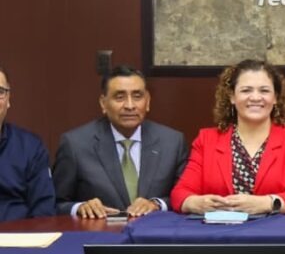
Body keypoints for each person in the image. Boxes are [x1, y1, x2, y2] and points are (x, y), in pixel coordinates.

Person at [171, 59, 285, 214]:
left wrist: (267, 203)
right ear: (232, 97)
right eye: (246, 90)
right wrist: (194, 203)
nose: (255, 97)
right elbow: (180, 194)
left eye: (264, 91)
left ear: (275, 97)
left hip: (276, 227)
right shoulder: (206, 139)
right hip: (219, 227)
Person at [53, 65, 188, 218]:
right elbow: (56, 203)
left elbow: (185, 197)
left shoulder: (172, 142)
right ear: (103, 103)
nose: (130, 106)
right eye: (119, 97)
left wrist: (157, 204)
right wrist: (79, 207)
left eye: (137, 96)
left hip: (154, 230)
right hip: (100, 231)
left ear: (148, 101)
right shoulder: (75, 144)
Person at [0, 67, 55, 221]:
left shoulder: (31, 148)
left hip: (18, 234)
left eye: (0, 91)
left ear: (8, 100)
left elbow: (44, 211)